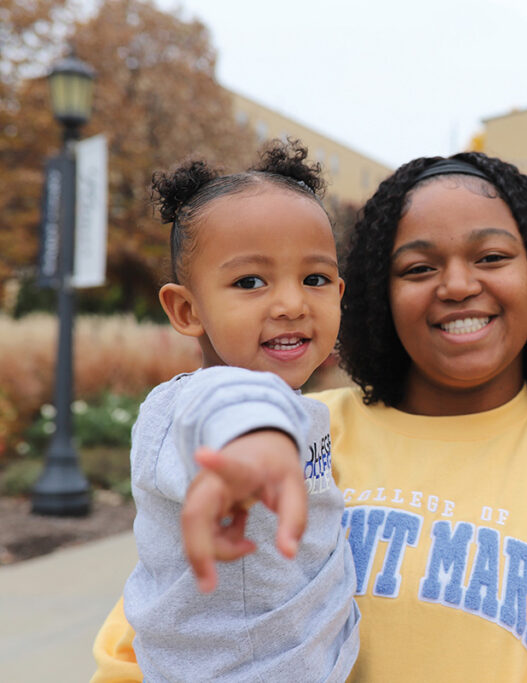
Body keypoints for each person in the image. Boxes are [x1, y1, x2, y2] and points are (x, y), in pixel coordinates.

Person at [94, 152, 527, 681]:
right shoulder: (290, 426)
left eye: (491, 257)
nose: (457, 284)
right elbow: (144, 635)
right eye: (418, 268)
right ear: (377, 294)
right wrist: (258, 439)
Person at [116, 140, 359, 682]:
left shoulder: (300, 405)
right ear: (186, 308)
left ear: (339, 294)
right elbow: (229, 407)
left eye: (315, 279)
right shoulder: (186, 404)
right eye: (250, 282)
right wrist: (256, 446)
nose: (293, 303)